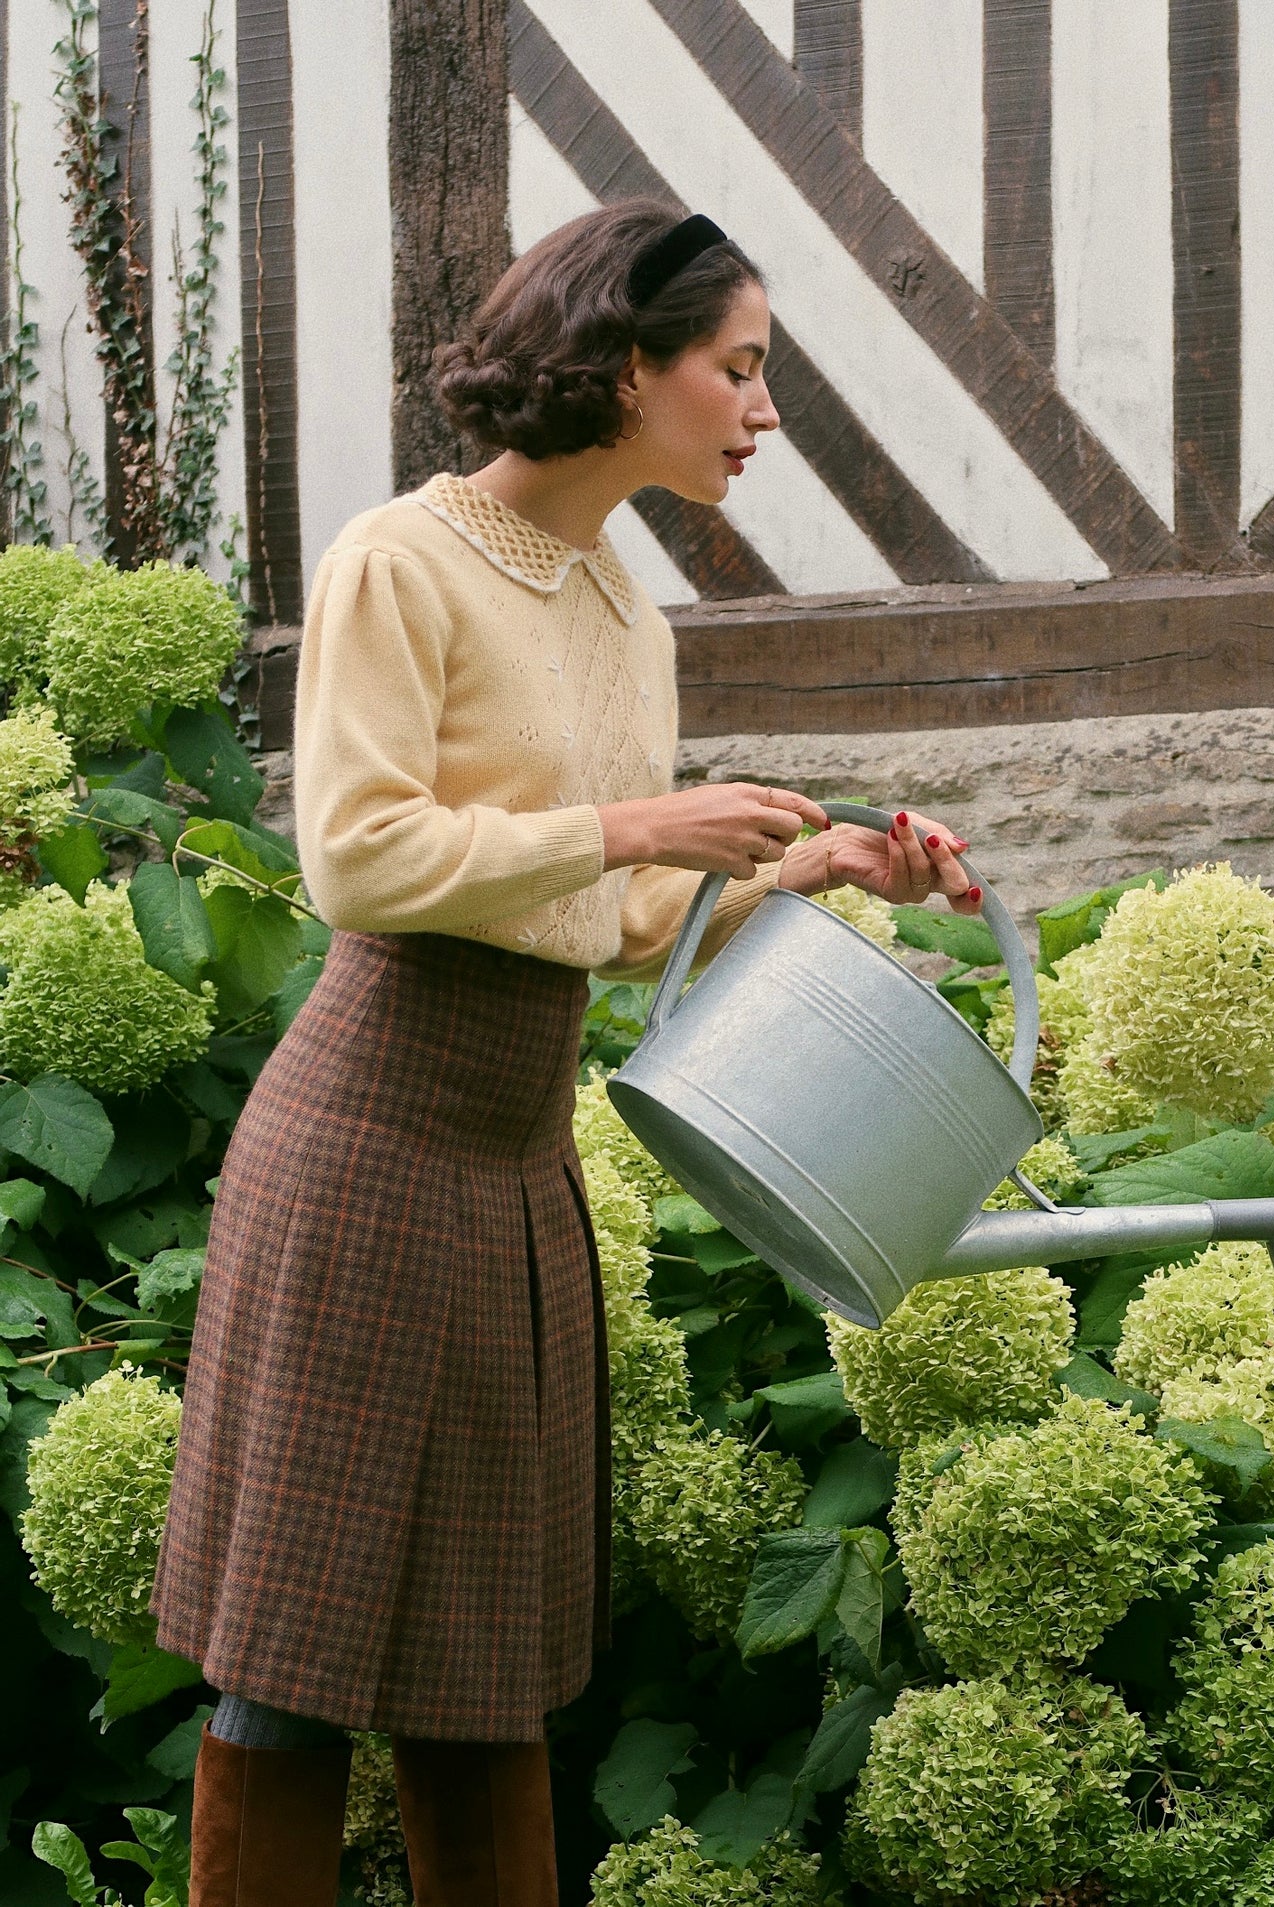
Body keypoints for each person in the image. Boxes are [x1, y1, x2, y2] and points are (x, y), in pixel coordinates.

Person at [151, 200, 981, 1907]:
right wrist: (623, 822)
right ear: (624, 366)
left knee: (484, 1675)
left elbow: (617, 928)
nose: (761, 413)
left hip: (514, 1177)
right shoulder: (403, 560)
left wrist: (803, 868)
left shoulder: (627, 613)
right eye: (737, 370)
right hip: (361, 1152)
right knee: (287, 1672)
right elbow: (357, 859)